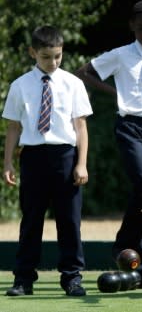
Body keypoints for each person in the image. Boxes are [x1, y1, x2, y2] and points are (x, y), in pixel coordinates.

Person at [75, 0, 142, 289]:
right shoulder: (121, 55)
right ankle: (122, 244)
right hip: (130, 126)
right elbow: (84, 72)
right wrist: (116, 93)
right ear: (132, 27)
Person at [2, 25, 92, 296]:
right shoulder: (19, 85)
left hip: (65, 156)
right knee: (31, 220)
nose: (52, 62)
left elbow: (81, 127)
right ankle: (24, 278)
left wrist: (82, 163)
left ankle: (72, 277)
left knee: (69, 220)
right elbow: (13, 128)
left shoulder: (73, 84)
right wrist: (7, 163)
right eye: (46, 57)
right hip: (32, 157)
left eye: (57, 56)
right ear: (33, 53)